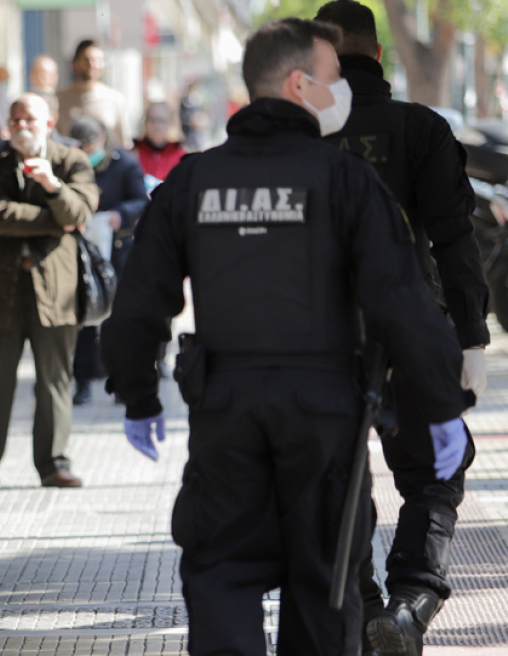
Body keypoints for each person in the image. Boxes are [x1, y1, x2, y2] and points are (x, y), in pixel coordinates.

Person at [99, 19, 471, 655]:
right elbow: (401, 301)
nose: (342, 90)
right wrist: (440, 406)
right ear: (300, 85)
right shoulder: (345, 180)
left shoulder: (194, 179)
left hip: (225, 412)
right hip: (323, 417)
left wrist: (138, 395)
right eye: (333, 77)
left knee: (221, 572)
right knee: (324, 589)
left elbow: (137, 301)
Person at [315, 2, 488, 653]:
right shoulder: (420, 128)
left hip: (317, 336)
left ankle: (360, 603)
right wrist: (471, 337)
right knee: (438, 464)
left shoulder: (294, 133)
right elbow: (454, 239)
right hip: (411, 327)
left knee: (334, 471)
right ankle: (411, 600)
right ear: (379, 53)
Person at [0, 93, 98, 491]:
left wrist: (52, 186)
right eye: (15, 119)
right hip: (3, 289)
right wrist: (56, 221)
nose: (21, 126)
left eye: (29, 119)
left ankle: (54, 464)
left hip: (56, 290)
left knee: (54, 381)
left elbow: (80, 212)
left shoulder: (71, 162)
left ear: (50, 123)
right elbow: (1, 217)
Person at [68, 116, 148, 406]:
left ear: (102, 138)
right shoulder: (70, 163)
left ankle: (122, 382)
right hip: (83, 253)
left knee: (120, 322)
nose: (86, 153)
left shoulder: (124, 164)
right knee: (86, 320)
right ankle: (83, 383)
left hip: (117, 251)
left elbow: (141, 200)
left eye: (89, 146)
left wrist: (120, 215)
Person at [57, 40, 127, 150]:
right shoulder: (59, 99)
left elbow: (124, 145)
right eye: (86, 60)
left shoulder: (116, 100)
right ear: (75, 64)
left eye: (97, 60)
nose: (91, 65)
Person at [132, 102, 187, 184]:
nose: (157, 126)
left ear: (170, 124)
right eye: (152, 120)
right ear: (145, 123)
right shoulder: (133, 155)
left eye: (162, 121)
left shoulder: (180, 157)